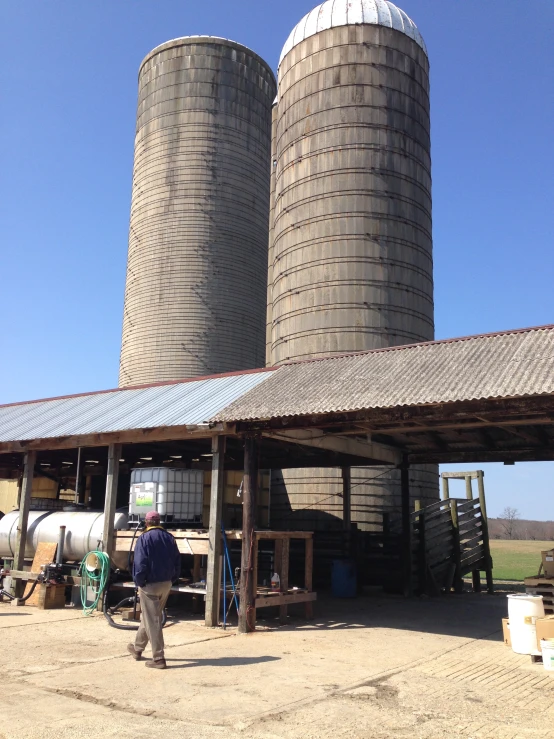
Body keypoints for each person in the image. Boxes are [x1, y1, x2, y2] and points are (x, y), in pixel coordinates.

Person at [127, 510, 181, 669]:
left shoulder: (144, 538)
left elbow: (140, 562)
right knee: (150, 616)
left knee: (153, 620)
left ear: (146, 522)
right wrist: (173, 579)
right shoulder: (169, 538)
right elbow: (178, 561)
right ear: (159, 522)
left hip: (149, 584)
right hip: (166, 583)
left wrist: (139, 581)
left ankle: (158, 658)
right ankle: (137, 649)